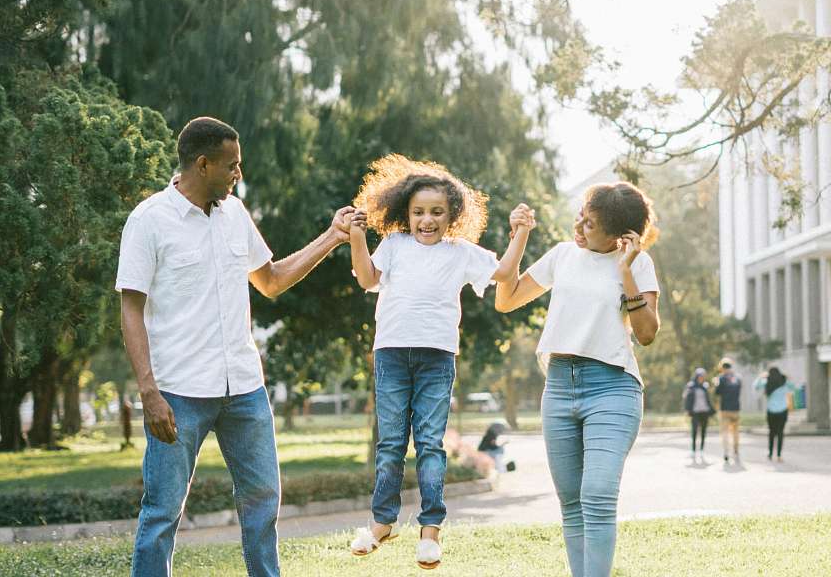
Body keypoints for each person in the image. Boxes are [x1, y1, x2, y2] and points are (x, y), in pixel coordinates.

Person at [116, 117, 357, 577]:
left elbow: (270, 280)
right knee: (162, 512)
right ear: (202, 164)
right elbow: (131, 308)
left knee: (264, 500)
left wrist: (332, 236)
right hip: (178, 393)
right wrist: (148, 392)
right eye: (232, 166)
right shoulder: (149, 221)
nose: (238, 175)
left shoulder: (235, 214)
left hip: (244, 388)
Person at [346, 154, 533, 570]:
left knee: (430, 443)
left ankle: (430, 531)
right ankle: (382, 523)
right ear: (405, 214)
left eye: (436, 212)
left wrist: (519, 233)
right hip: (392, 354)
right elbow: (366, 278)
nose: (426, 220)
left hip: (436, 357)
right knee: (391, 444)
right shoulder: (394, 245)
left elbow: (503, 272)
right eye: (418, 212)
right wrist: (357, 237)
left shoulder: (460, 252)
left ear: (452, 216)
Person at [495, 181, 661, 577]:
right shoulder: (563, 255)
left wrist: (625, 271)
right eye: (582, 215)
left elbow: (648, 333)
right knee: (571, 502)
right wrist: (519, 237)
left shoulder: (638, 263)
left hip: (613, 388)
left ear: (620, 235)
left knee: (598, 495)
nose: (580, 225)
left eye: (591, 224)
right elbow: (507, 299)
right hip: (558, 385)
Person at [760, 367, 794, 462]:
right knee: (780, 433)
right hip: (783, 411)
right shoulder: (784, 383)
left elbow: (756, 386)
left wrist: (761, 377)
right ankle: (779, 455)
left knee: (771, 433)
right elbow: (793, 387)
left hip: (771, 411)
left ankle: (770, 454)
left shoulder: (767, 383)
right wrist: (788, 377)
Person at [714, 358, 743, 464]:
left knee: (725, 432)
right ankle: (736, 451)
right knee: (735, 432)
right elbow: (739, 390)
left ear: (722, 368)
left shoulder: (721, 378)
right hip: (736, 408)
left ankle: (726, 452)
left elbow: (717, 392)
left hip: (725, 409)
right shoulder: (738, 378)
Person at [682, 367, 714, 462]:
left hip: (704, 411)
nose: (701, 378)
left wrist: (711, 410)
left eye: (703, 376)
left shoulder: (705, 386)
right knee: (694, 431)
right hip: (695, 412)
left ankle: (702, 450)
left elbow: (708, 400)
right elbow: (686, 398)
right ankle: (693, 450)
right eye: (700, 376)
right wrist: (687, 410)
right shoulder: (691, 386)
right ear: (696, 376)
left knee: (704, 431)